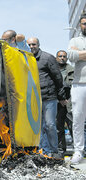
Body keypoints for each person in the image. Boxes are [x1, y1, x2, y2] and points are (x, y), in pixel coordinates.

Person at [27, 37, 66, 157]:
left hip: (49, 97)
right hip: (34, 98)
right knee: (39, 127)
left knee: (50, 124)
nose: (31, 47)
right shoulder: (25, 59)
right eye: (29, 45)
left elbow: (58, 77)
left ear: (38, 45)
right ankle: (44, 151)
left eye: (34, 44)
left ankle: (54, 151)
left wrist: (61, 96)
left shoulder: (47, 58)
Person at [68, 13, 86, 164]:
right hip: (79, 83)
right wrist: (77, 54)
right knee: (78, 118)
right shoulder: (74, 40)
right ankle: (78, 151)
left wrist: (80, 54)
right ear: (80, 25)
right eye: (84, 23)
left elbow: (77, 54)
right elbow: (71, 55)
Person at [55, 50, 74, 156]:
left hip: (70, 103)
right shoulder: (52, 70)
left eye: (64, 56)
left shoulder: (73, 71)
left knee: (73, 127)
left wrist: (68, 101)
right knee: (58, 128)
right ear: (56, 57)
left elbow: (75, 87)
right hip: (57, 104)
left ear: (67, 58)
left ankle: (79, 150)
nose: (62, 58)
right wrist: (60, 99)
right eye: (60, 56)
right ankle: (61, 150)